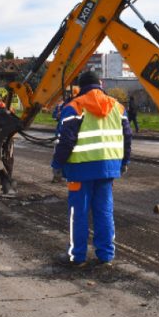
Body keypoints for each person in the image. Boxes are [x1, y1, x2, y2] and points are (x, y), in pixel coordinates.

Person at [51, 71, 132, 267]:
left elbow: (66, 140)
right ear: (100, 83)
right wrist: (124, 162)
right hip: (108, 168)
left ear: (80, 86)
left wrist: (57, 164)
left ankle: (77, 256)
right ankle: (106, 255)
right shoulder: (118, 107)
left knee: (78, 213)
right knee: (104, 211)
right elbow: (127, 136)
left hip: (80, 169)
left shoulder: (74, 107)